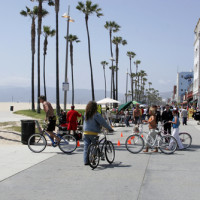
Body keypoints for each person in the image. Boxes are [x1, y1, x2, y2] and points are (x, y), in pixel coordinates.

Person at [83, 101, 113, 165]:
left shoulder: (86, 113)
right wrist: (109, 128)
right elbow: (103, 122)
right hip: (93, 132)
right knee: (95, 146)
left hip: (85, 132)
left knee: (86, 147)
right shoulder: (96, 114)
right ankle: (93, 159)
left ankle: (86, 161)